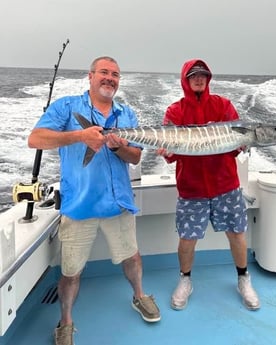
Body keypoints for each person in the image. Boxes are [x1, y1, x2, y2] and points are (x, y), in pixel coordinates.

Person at [28, 56, 161, 345]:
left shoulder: (126, 114)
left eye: (115, 74)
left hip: (118, 203)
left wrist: (118, 148)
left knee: (132, 256)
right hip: (79, 205)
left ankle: (139, 296)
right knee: (71, 270)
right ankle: (66, 322)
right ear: (90, 76)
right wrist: (80, 136)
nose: (109, 78)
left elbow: (136, 156)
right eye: (104, 72)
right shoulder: (66, 106)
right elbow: (36, 139)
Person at [157, 59, 260, 311]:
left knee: (236, 233)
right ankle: (185, 280)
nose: (199, 78)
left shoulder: (223, 106)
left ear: (209, 78)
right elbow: (171, 154)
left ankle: (244, 278)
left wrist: (241, 145)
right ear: (185, 79)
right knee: (187, 239)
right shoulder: (175, 112)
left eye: (203, 74)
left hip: (226, 185)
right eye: (193, 75)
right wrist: (166, 151)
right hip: (192, 189)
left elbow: (234, 148)